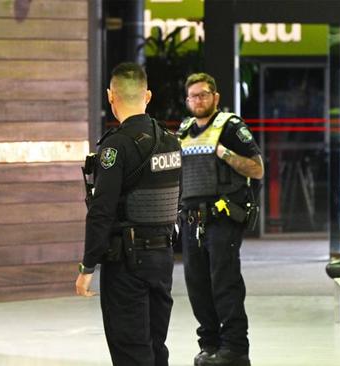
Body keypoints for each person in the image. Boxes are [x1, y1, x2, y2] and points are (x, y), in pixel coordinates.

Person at [75, 62, 182, 366]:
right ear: (147, 95)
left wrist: (87, 266)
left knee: (131, 353)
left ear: (111, 97)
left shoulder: (116, 147)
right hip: (162, 260)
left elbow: (101, 210)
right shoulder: (171, 141)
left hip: (126, 263)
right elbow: (177, 197)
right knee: (155, 347)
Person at [178, 72, 264, 366]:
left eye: (203, 94)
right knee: (197, 285)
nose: (198, 100)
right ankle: (211, 346)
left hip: (222, 217)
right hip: (191, 220)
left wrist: (224, 153)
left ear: (215, 97)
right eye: (193, 96)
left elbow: (257, 169)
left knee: (224, 284)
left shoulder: (231, 128)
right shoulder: (184, 130)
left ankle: (236, 350)